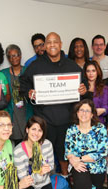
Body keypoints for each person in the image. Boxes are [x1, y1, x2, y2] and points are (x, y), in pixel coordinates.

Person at [20, 32, 88, 176]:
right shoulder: (35, 66)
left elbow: (84, 85)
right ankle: (42, 180)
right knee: (42, 150)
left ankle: (65, 176)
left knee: (64, 150)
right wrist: (29, 93)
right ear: (44, 46)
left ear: (60, 44)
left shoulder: (72, 65)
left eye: (55, 42)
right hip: (44, 118)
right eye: (49, 42)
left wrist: (83, 89)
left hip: (66, 118)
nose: (52, 45)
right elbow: (23, 84)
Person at [65, 99, 108, 189]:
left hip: (97, 166)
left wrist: (79, 158)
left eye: (87, 111)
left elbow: (102, 152)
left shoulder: (100, 129)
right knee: (82, 186)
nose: (84, 113)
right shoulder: (71, 130)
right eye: (81, 110)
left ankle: (77, 186)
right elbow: (69, 151)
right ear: (77, 113)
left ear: (92, 114)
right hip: (78, 165)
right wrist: (75, 162)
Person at [14, 116, 57, 189]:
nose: (36, 133)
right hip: (26, 183)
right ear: (27, 129)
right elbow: (23, 177)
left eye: (40, 130)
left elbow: (51, 164)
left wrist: (46, 169)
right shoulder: (18, 151)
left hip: (43, 181)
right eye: (33, 129)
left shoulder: (47, 144)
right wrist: (39, 173)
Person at [1, 44, 33, 144]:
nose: (13, 58)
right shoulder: (3, 73)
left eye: (16, 55)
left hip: (26, 110)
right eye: (10, 56)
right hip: (12, 111)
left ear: (20, 56)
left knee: (28, 139)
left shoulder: (28, 71)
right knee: (12, 141)